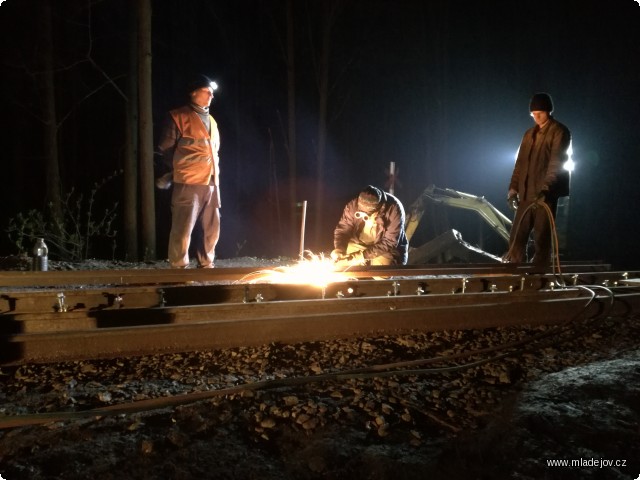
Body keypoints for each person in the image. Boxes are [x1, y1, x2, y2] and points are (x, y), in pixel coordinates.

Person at [157, 75, 221, 268]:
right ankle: (179, 269)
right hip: (188, 182)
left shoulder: (212, 121)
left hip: (211, 182)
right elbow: (164, 150)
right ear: (194, 93)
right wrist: (172, 172)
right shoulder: (178, 117)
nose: (211, 95)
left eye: (212, 92)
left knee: (212, 228)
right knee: (182, 228)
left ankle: (206, 265)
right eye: (207, 90)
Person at [504, 92, 571, 266]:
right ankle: (515, 268)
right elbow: (520, 163)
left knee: (542, 235)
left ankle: (540, 271)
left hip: (545, 195)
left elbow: (556, 163)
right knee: (517, 235)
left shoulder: (559, 132)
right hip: (526, 193)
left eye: (540, 112)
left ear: (548, 111)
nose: (536, 116)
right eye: (533, 114)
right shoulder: (528, 134)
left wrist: (545, 189)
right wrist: (513, 189)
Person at [331, 185, 408, 267]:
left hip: (384, 249)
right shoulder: (353, 205)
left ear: (379, 209)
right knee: (343, 266)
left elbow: (390, 242)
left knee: (382, 273)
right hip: (358, 243)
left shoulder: (393, 209)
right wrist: (339, 248)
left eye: (367, 215)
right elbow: (343, 229)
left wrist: (361, 256)